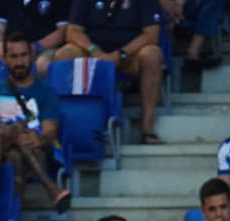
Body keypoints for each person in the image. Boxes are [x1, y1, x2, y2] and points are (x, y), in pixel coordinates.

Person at [0, 33, 68, 210]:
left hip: (33, 152)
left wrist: (39, 139)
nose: (19, 62)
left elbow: (50, 131)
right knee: (14, 134)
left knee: (16, 154)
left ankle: (10, 218)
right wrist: (0, 131)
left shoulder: (46, 92)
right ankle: (51, 188)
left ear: (32, 56)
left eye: (23, 55)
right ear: (4, 59)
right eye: (14, 56)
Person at [56, 0, 164, 145]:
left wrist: (121, 54)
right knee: (65, 53)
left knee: (153, 55)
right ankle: (64, 126)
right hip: (93, 52)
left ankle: (147, 129)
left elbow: (151, 34)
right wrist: (93, 50)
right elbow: (73, 31)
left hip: (129, 55)